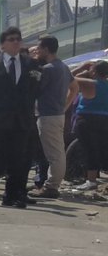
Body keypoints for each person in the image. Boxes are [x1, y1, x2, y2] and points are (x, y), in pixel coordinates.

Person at [0, 26, 39, 208]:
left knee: (18, 158)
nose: (15, 42)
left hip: (21, 119)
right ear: (3, 44)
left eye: (18, 39)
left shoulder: (31, 64)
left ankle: (13, 194)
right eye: (11, 39)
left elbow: (35, 89)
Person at [33, 36, 77, 198]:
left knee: (54, 154)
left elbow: (35, 90)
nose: (37, 51)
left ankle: (51, 186)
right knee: (56, 152)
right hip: (56, 114)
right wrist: (64, 107)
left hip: (48, 115)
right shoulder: (63, 67)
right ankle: (51, 184)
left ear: (46, 49)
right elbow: (75, 88)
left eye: (39, 48)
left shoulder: (48, 69)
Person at [70, 60, 108, 193]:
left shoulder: (89, 84)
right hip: (105, 119)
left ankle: (91, 180)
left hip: (87, 119)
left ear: (94, 71)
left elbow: (67, 78)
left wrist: (82, 67)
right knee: (103, 149)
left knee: (89, 150)